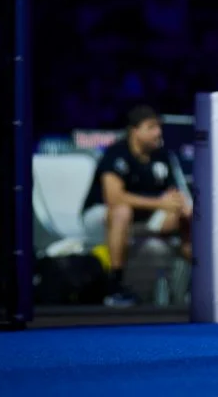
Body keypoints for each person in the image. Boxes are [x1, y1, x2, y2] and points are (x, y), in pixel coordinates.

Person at [80, 104, 191, 307]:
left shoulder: (162, 156)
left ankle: (196, 278)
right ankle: (115, 284)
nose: (158, 132)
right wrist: (160, 203)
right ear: (134, 131)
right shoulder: (116, 153)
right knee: (122, 212)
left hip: (143, 218)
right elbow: (114, 198)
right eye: (151, 127)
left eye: (159, 127)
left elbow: (173, 194)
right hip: (102, 216)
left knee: (186, 214)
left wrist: (179, 206)